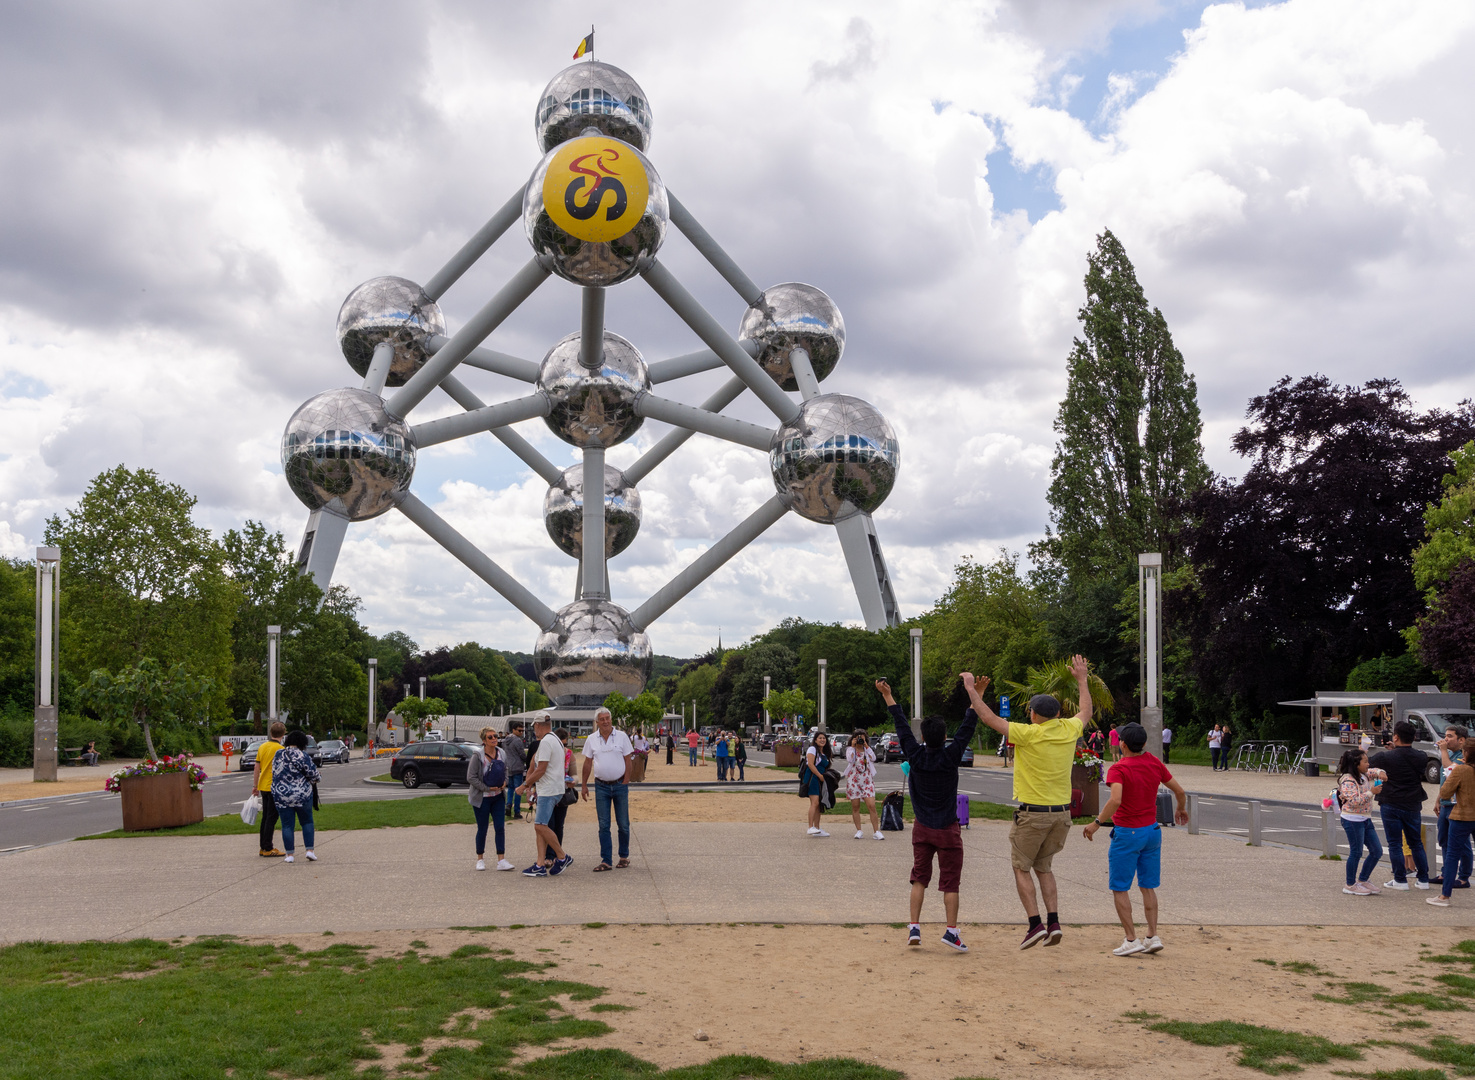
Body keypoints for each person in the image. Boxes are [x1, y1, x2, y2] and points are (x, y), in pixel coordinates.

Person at [962, 655, 1093, 950]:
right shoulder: (1069, 730)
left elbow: (988, 718)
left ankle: (1035, 924)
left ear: (1033, 714)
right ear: (1058, 713)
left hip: (1033, 815)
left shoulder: (1028, 733)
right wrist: (1082, 680)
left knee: (1021, 867)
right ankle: (1054, 921)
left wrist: (971, 689)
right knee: (1044, 868)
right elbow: (1086, 710)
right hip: (1062, 815)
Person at [878, 677, 977, 952]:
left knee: (919, 877)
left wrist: (888, 694)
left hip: (922, 828)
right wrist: (976, 693)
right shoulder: (951, 755)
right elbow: (968, 726)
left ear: (922, 737)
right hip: (947, 828)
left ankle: (914, 928)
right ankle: (951, 932)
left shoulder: (915, 754)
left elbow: (900, 723)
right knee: (950, 883)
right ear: (945, 737)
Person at [1082, 722, 1187, 956]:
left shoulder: (1119, 768)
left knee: (1120, 887)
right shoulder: (1154, 763)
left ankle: (1131, 939)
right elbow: (1179, 791)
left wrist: (1097, 822)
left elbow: (1116, 799)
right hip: (1152, 831)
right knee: (1147, 886)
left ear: (1122, 744)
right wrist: (1181, 809)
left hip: (1128, 832)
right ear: (1144, 744)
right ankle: (1152, 935)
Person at [1369, 719, 1432, 891]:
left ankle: (1400, 879)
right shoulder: (1421, 756)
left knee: (1394, 843)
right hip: (1412, 802)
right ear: (1413, 738)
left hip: (1390, 801)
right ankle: (1423, 879)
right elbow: (1407, 761)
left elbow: (1368, 763)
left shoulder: (1385, 757)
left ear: (1395, 737)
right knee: (1416, 842)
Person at [515, 716, 571, 876]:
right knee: (541, 827)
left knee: (539, 826)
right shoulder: (555, 739)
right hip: (553, 788)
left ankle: (562, 856)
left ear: (538, 725)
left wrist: (524, 786)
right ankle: (540, 864)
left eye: (534, 727)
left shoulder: (546, 742)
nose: (534, 730)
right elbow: (535, 764)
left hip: (548, 790)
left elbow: (541, 769)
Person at [582, 707, 634, 871]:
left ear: (611, 719)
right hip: (601, 786)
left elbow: (628, 759)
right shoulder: (591, 739)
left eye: (607, 718)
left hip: (619, 785)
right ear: (597, 722)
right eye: (602, 719)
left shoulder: (622, 736)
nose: (605, 721)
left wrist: (626, 780)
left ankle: (624, 856)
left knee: (623, 824)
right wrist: (584, 785)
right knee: (604, 825)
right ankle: (606, 860)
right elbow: (587, 763)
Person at [1334, 746, 1385, 896]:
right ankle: (1350, 884)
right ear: (1356, 764)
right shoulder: (1348, 780)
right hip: (1352, 819)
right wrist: (1371, 792)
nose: (1368, 764)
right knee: (1356, 852)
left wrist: (1381, 773)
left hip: (1365, 818)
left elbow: (1374, 771)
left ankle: (1363, 880)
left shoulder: (1363, 775)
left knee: (1377, 851)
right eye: (1365, 761)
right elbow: (1354, 801)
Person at [1430, 736, 1475, 908]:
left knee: (1452, 856)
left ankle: (1445, 896)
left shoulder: (1461, 769)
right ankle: (1463, 879)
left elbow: (1446, 792)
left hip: (1462, 816)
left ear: (1466, 753)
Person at [271, 730, 320, 864]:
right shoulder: (302, 755)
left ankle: (289, 854)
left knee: (287, 825)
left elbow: (274, 772)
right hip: (302, 794)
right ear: (302, 742)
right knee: (307, 822)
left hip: (282, 795)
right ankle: (309, 851)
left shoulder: (278, 754)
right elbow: (314, 774)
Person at [469, 727, 513, 872]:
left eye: (495, 736)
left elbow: (506, 769)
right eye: (490, 737)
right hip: (482, 798)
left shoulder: (502, 753)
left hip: (498, 797)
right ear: (484, 741)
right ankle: (480, 859)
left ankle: (501, 860)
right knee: (482, 828)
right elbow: (471, 777)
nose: (494, 738)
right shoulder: (478, 756)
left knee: (500, 827)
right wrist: (487, 788)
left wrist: (505, 782)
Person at [253, 721, 287, 858]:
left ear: (270, 733)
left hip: (263, 785)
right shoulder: (280, 749)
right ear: (283, 734)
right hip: (274, 786)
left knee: (266, 817)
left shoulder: (262, 747)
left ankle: (263, 846)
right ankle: (268, 847)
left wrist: (255, 786)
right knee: (271, 818)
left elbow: (257, 767)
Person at [845, 728, 882, 840]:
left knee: (871, 805)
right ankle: (859, 830)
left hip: (867, 781)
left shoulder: (867, 750)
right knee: (855, 807)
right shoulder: (850, 750)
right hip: (854, 781)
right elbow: (850, 759)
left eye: (862, 737)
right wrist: (853, 746)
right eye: (858, 738)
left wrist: (866, 746)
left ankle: (876, 831)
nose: (860, 740)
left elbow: (874, 758)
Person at [802, 731, 833, 837]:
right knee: (814, 803)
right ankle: (810, 827)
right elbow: (810, 764)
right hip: (813, 778)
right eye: (820, 738)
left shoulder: (824, 753)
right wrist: (819, 775)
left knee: (819, 804)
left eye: (824, 738)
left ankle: (817, 828)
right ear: (815, 740)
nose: (822, 740)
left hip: (820, 779)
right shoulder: (812, 749)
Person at [502, 721, 528, 821]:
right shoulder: (517, 741)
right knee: (519, 790)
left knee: (511, 788)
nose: (521, 732)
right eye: (519, 730)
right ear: (514, 730)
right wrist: (527, 760)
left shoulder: (505, 741)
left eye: (522, 731)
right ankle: (517, 811)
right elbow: (521, 754)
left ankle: (508, 805)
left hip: (508, 766)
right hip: (517, 766)